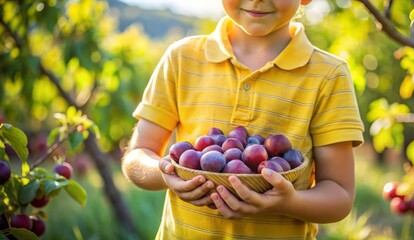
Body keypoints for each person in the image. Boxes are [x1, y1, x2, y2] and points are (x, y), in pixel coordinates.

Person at [121, 0, 364, 239]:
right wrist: (165, 173)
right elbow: (137, 156)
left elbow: (339, 195)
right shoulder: (181, 58)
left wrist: (288, 202)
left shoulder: (328, 76)